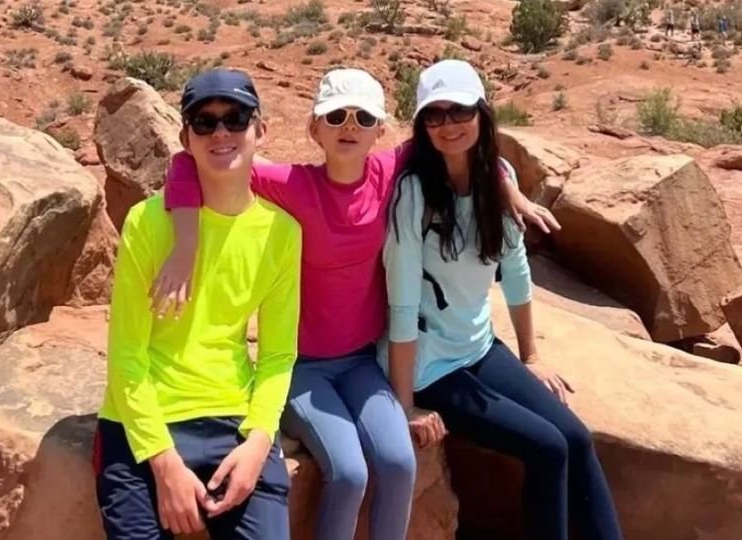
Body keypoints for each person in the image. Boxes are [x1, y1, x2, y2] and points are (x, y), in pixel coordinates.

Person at [153, 67, 560, 540]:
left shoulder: (386, 174)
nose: (350, 126)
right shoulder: (292, 183)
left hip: (363, 363)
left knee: (399, 461)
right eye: (336, 116)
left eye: (363, 118)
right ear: (314, 128)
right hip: (301, 367)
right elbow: (187, 163)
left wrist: (508, 186)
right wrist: (186, 242)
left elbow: (466, 142)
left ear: (380, 130)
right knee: (349, 472)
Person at [380, 60, 624, 540]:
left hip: (478, 347)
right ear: (422, 125)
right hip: (430, 366)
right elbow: (402, 304)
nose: (448, 124)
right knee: (548, 447)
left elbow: (515, 270)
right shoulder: (414, 193)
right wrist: (404, 404)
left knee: (576, 438)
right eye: (435, 114)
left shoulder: (500, 177)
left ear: (482, 113)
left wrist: (531, 355)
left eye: (460, 111)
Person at [94, 69, 302, 540]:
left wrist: (259, 441)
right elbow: (126, 355)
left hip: (233, 419)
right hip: (143, 424)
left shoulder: (282, 233)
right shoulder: (148, 223)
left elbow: (277, 356)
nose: (221, 133)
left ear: (261, 129)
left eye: (236, 118)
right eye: (205, 123)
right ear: (187, 138)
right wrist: (163, 462)